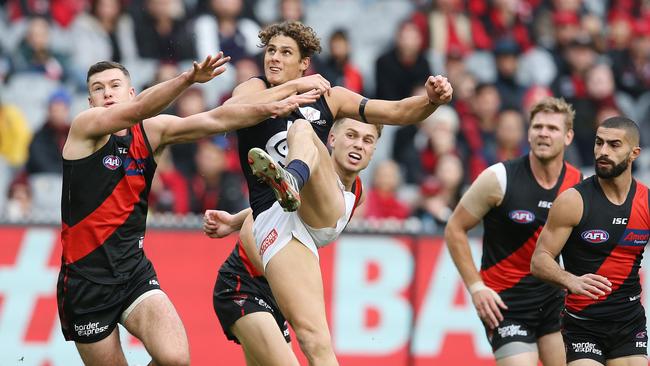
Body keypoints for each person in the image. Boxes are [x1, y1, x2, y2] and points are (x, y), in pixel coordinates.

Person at [57, 53, 318, 365]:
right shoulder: (84, 129)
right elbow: (140, 109)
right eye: (98, 89)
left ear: (130, 91)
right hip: (86, 283)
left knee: (176, 359)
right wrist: (188, 79)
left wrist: (269, 108)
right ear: (90, 101)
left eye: (115, 85)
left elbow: (216, 120)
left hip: (133, 273)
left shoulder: (151, 132)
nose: (107, 93)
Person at [223, 20, 452, 366]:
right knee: (314, 342)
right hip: (279, 220)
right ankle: (290, 183)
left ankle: (293, 180)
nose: (274, 59)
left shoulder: (329, 97)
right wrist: (297, 87)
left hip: (314, 203)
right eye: (270, 51)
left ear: (304, 62)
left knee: (302, 128)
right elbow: (232, 113)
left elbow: (396, 111)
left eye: (286, 53)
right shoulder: (254, 89)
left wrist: (431, 102)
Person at [205, 117, 380, 366]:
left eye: (367, 140)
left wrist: (233, 220)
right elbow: (258, 227)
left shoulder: (357, 194)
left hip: (278, 294)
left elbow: (275, 209)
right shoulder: (311, 168)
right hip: (243, 286)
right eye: (351, 136)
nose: (359, 145)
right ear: (332, 139)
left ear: (374, 151)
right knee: (313, 347)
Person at [444, 97, 583, 366]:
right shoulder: (498, 178)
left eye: (552, 128)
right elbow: (454, 229)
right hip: (505, 305)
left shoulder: (578, 184)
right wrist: (476, 288)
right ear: (528, 133)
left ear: (568, 137)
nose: (543, 133)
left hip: (555, 302)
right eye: (538, 126)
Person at [531, 116, 648, 366]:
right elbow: (539, 260)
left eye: (614, 145)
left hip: (629, 324)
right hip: (583, 325)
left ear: (634, 153)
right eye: (599, 143)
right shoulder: (573, 201)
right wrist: (569, 279)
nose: (603, 151)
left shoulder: (646, 202)